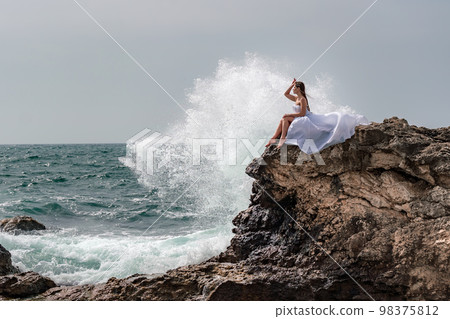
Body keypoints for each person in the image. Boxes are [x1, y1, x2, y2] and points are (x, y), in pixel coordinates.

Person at [265, 78, 371, 153]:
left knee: (285, 118)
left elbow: (302, 113)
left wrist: (289, 114)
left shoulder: (302, 99)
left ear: (299, 89)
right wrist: (292, 84)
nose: (293, 90)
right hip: (299, 118)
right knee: (283, 120)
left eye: (294, 88)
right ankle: (274, 138)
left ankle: (282, 138)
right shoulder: (296, 98)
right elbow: (285, 94)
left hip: (305, 118)